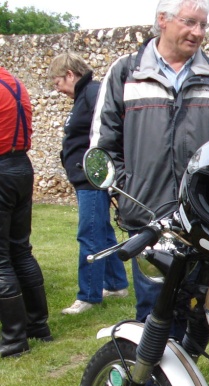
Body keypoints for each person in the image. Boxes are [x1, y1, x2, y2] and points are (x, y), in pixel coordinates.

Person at [90, 0, 209, 324]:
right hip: (149, 213)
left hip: (202, 213)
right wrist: (125, 185)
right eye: (190, 22)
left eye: (203, 25)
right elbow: (103, 141)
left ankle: (183, 370)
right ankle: (151, 374)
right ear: (163, 20)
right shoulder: (126, 71)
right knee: (153, 308)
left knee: (195, 308)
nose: (198, 32)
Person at [49, 52, 129, 316]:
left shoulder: (93, 94)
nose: (57, 88)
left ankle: (89, 295)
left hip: (91, 180)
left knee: (90, 235)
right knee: (103, 233)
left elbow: (111, 129)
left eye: (58, 81)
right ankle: (116, 285)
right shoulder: (84, 96)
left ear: (70, 75)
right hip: (85, 177)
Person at [0, 66, 52, 358]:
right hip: (21, 166)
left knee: (2, 258)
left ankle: (13, 338)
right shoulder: (14, 82)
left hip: (2, 167)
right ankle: (38, 326)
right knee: (20, 250)